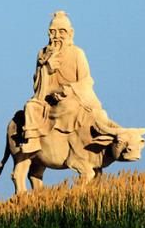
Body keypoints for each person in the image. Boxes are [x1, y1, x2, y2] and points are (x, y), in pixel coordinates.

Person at [21, 10, 120, 153]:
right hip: (47, 99)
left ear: (70, 33)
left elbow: (87, 81)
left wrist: (68, 90)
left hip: (73, 97)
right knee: (30, 107)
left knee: (70, 107)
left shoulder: (77, 53)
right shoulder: (43, 53)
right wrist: (46, 69)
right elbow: (37, 85)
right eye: (53, 32)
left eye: (62, 31)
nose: (57, 36)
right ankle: (33, 141)